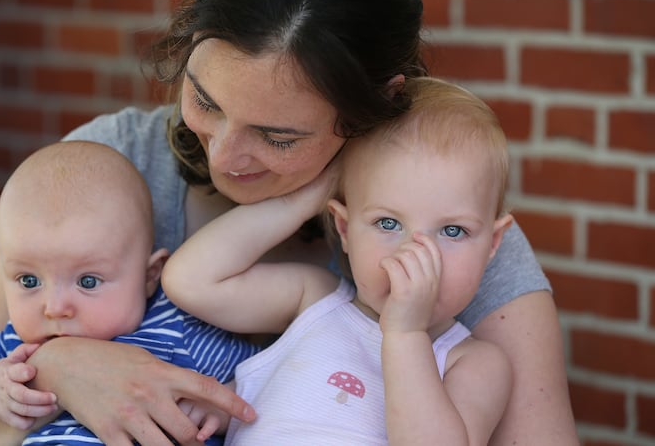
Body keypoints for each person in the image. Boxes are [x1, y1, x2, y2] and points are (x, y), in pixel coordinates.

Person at [0, 0, 578, 445]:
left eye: (279, 136)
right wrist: (60, 369)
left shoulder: (443, 237)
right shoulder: (102, 169)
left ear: (373, 104)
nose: (224, 154)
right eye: (204, 99)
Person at [162, 77, 514, 445]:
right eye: (388, 223)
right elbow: (190, 281)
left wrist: (405, 335)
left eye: (453, 231)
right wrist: (302, 199)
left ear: (492, 242)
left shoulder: (474, 364)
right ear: (345, 229)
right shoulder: (317, 301)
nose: (414, 254)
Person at [0, 140, 259, 446]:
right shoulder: (17, 354)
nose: (55, 307)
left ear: (150, 276)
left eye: (88, 282)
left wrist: (218, 407)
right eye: (29, 281)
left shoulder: (175, 328)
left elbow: (264, 383)